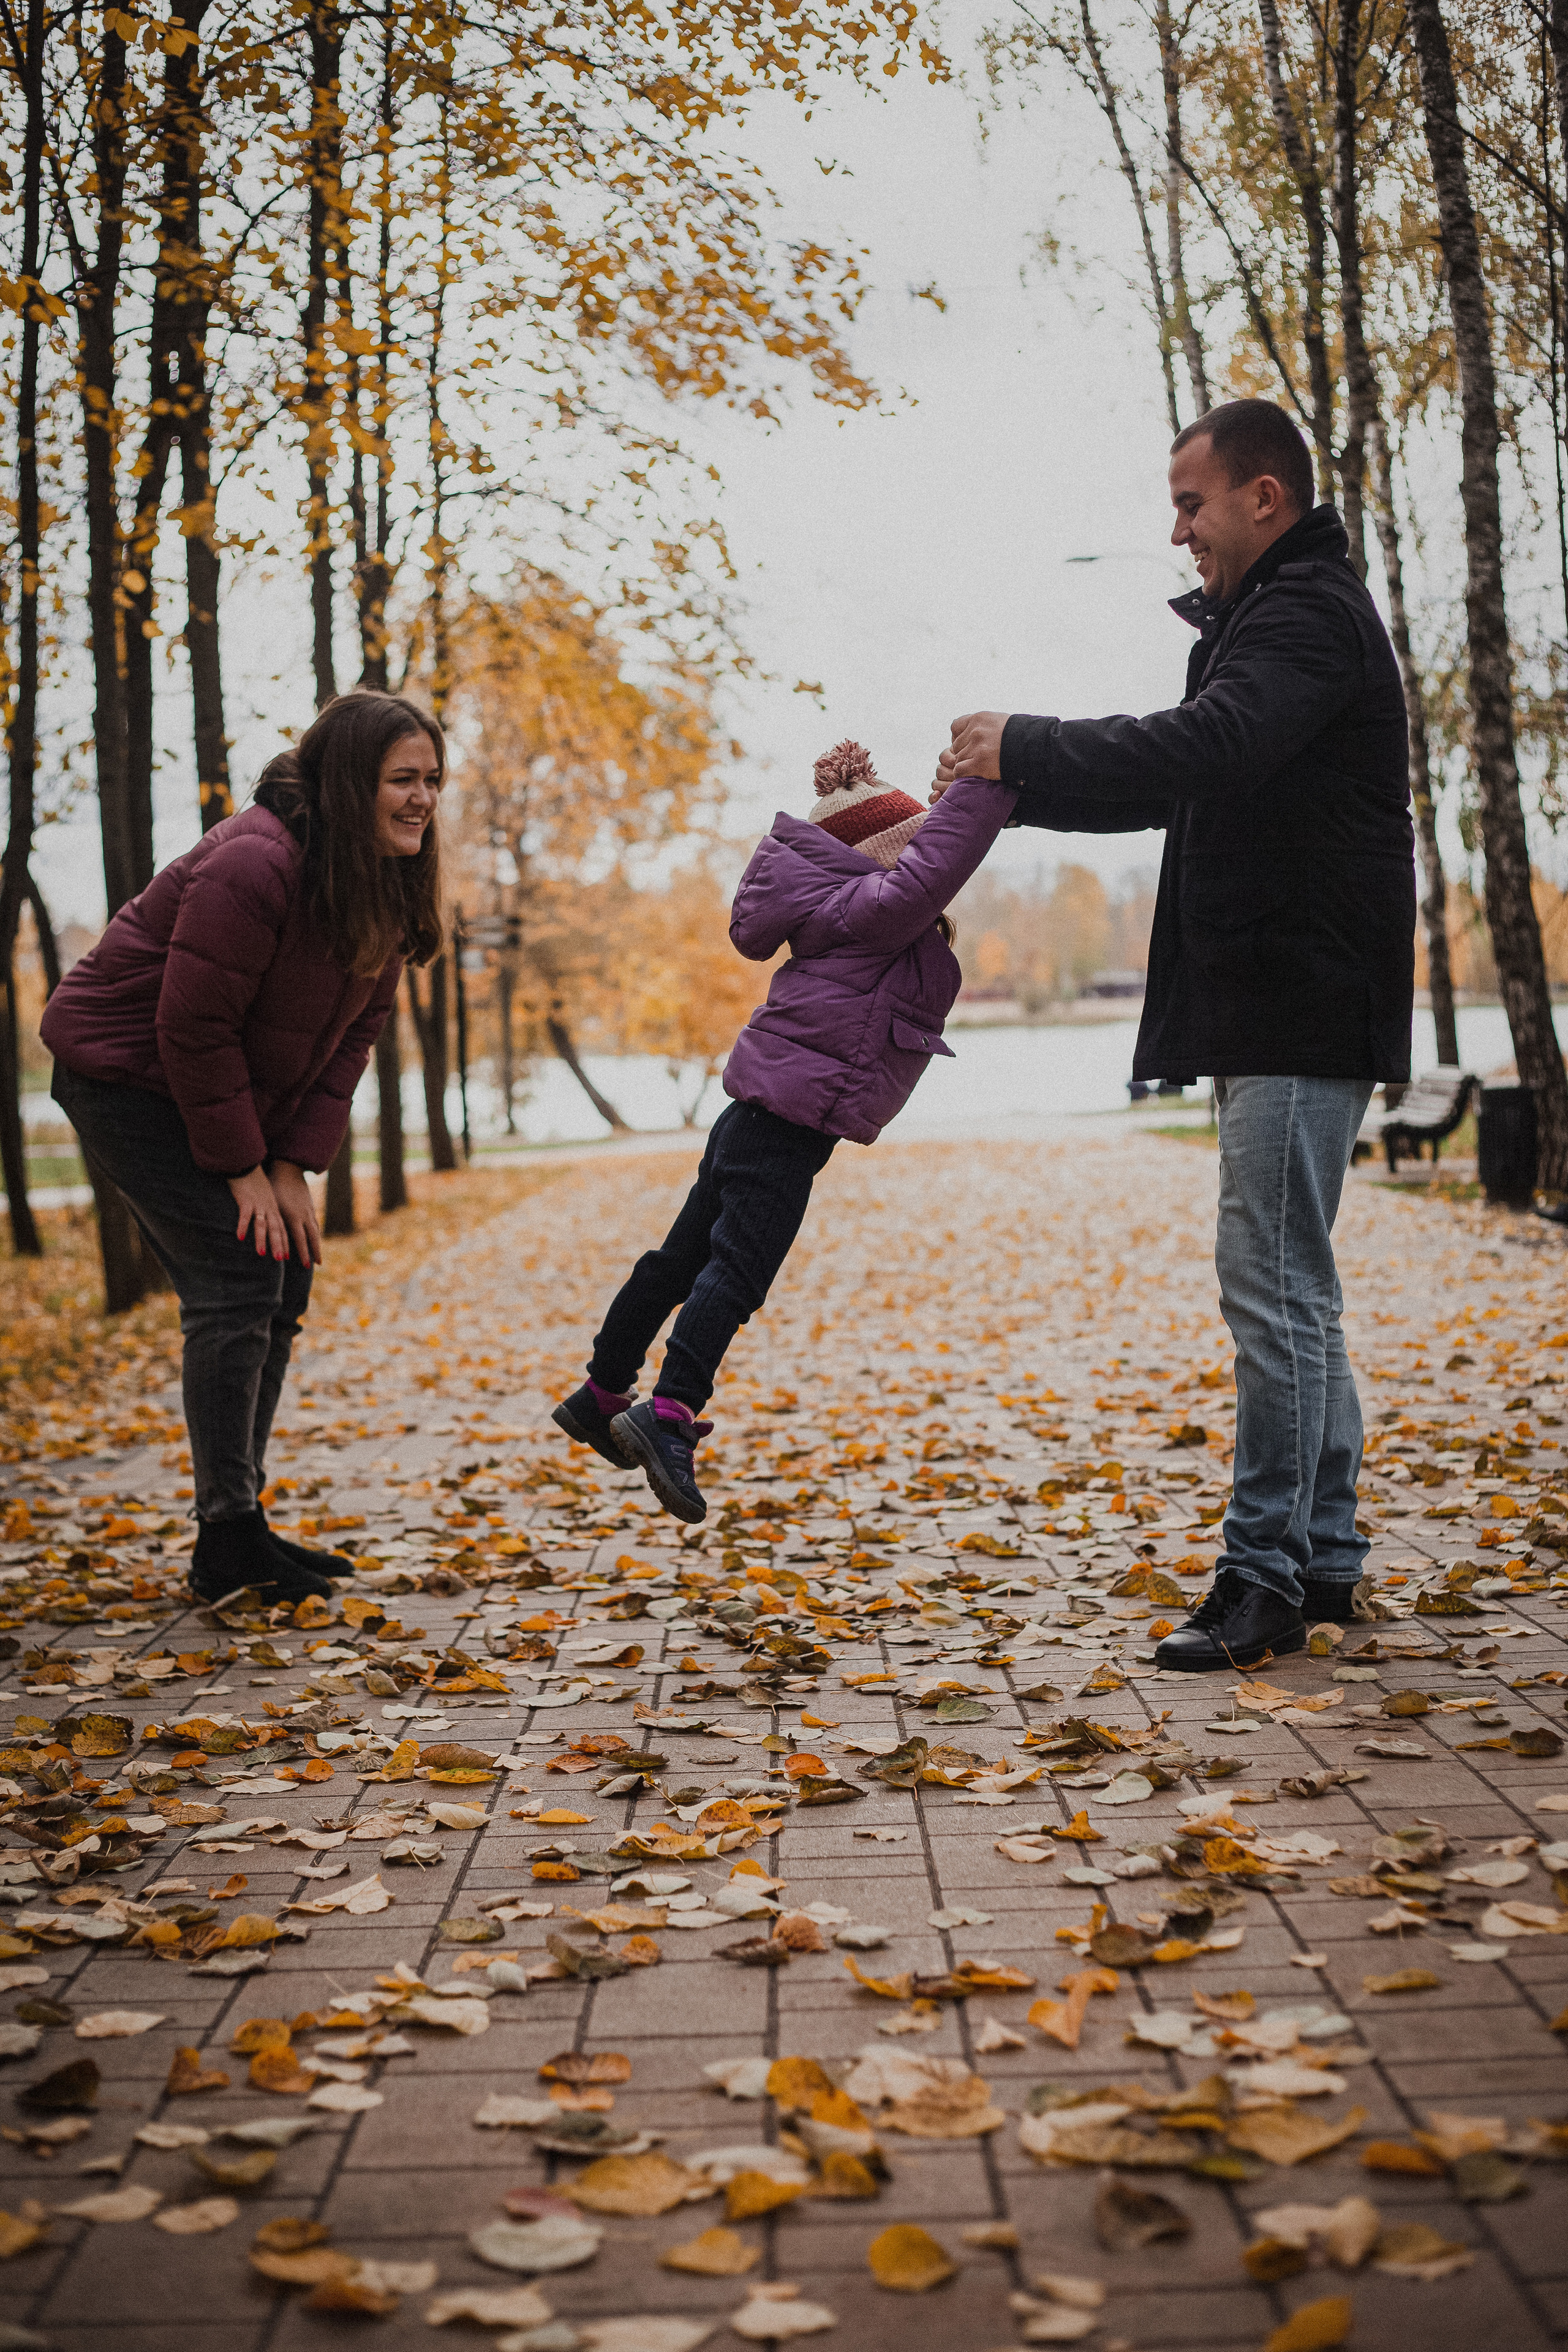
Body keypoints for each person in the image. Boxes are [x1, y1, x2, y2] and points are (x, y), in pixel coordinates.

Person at [933, 399, 1412, 1673]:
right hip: (1289, 998)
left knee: (1272, 1287)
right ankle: (1322, 1558)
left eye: (1191, 503)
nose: (1177, 529)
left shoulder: (1303, 616)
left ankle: (1263, 1576)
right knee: (1296, 1286)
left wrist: (1026, 742)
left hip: (1299, 997)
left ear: (1264, 496)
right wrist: (1012, 786)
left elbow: (1207, 747)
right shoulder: (1272, 620)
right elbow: (1186, 785)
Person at [42, 690, 444, 1605]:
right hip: (123, 1076)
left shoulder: (382, 879)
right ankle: (227, 1540)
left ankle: (240, 1523)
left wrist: (291, 1166)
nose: (423, 799)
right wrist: (239, 1168)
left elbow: (350, 1042)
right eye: (402, 780)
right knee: (237, 1277)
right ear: (351, 782)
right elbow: (194, 1027)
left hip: (205, 1087)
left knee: (283, 1272)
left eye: (432, 780)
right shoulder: (255, 863)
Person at [552, 741, 1016, 1523]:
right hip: (787, 1128)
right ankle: (669, 1412)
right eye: (907, 853)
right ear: (882, 860)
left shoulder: (844, 915)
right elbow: (935, 867)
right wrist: (996, 778)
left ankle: (601, 1392)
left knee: (681, 1259)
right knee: (736, 1273)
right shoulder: (869, 912)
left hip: (751, 1115)